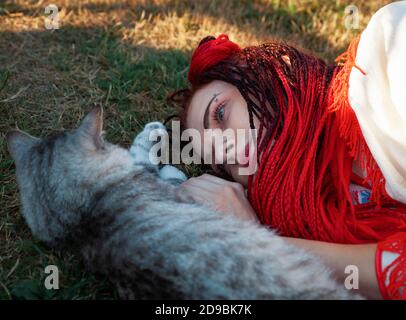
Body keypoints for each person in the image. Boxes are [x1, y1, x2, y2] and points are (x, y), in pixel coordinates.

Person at [166, 2, 406, 300]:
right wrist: (255, 240)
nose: (227, 147)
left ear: (271, 72)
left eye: (221, 113)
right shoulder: (339, 217)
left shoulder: (387, 58)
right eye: (222, 163)